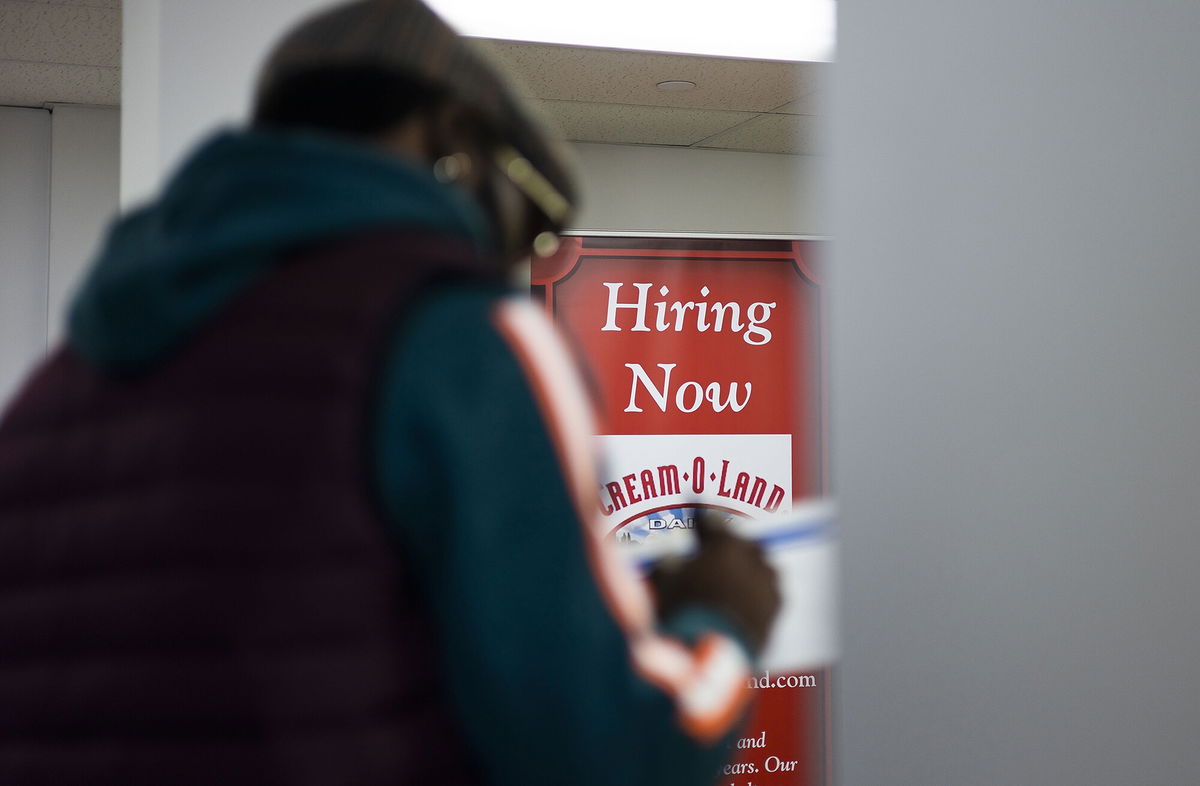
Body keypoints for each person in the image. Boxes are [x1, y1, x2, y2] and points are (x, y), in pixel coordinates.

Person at [0, 1, 780, 784]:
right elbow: (610, 751)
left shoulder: (56, 391)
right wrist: (724, 620)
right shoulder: (455, 336)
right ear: (453, 144)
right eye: (514, 213)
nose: (500, 249)